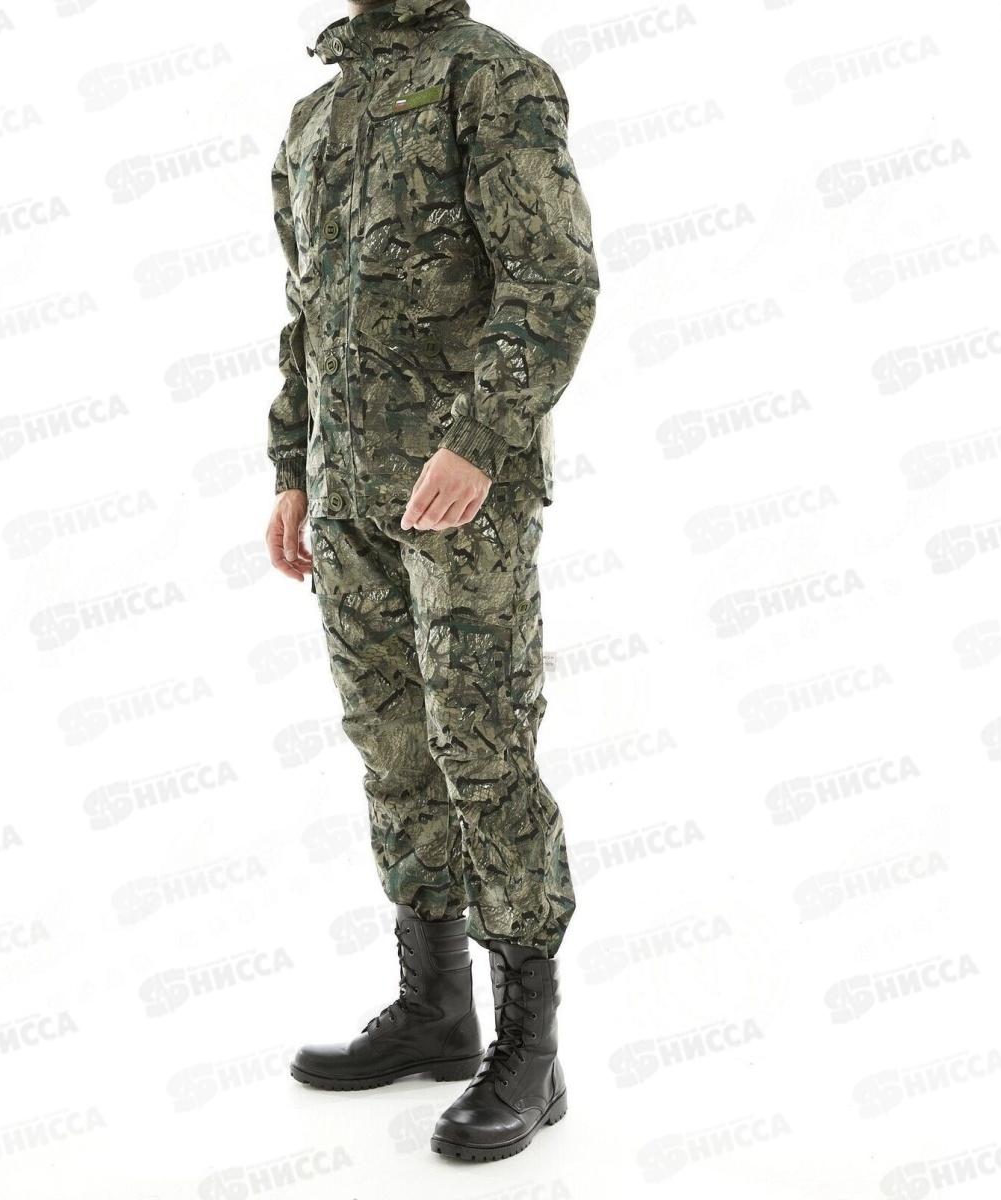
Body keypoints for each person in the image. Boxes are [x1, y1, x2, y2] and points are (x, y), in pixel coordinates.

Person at [263, 0, 599, 1162]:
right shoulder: (317, 114)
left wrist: (480, 439)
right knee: (392, 744)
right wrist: (291, 466)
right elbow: (309, 312)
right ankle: (435, 1008)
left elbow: (551, 279)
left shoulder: (491, 81)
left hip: (460, 489)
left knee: (483, 748)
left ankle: (531, 1050)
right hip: (347, 492)